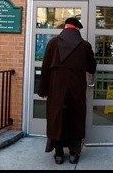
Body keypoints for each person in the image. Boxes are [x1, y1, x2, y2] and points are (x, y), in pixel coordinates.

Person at [37, 17, 97, 165]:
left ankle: (58, 154)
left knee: (57, 119)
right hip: (76, 91)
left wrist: (43, 90)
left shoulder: (52, 43)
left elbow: (45, 69)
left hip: (56, 90)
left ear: (65, 27)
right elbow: (92, 68)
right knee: (75, 119)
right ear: (77, 29)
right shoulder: (84, 46)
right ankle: (73, 154)